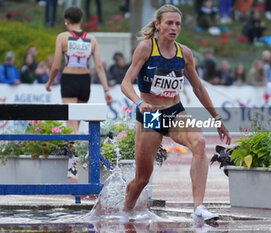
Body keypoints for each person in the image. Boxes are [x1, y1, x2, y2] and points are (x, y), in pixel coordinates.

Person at [120, 4, 231, 221]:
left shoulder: (185, 53)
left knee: (199, 143)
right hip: (151, 114)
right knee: (142, 179)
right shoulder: (145, 48)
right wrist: (139, 102)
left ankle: (199, 207)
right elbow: (125, 83)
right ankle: (125, 211)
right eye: (169, 23)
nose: (174, 28)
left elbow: (198, 88)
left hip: (174, 111)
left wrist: (217, 119)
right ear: (158, 25)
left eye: (177, 24)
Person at [45, 6, 112, 134]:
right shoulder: (92, 39)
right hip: (84, 81)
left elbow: (55, 67)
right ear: (81, 20)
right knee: (76, 123)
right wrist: (106, 90)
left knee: (71, 123)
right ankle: (76, 150)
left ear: (67, 21)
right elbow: (99, 67)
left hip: (69, 79)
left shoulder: (62, 37)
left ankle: (72, 151)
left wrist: (49, 83)